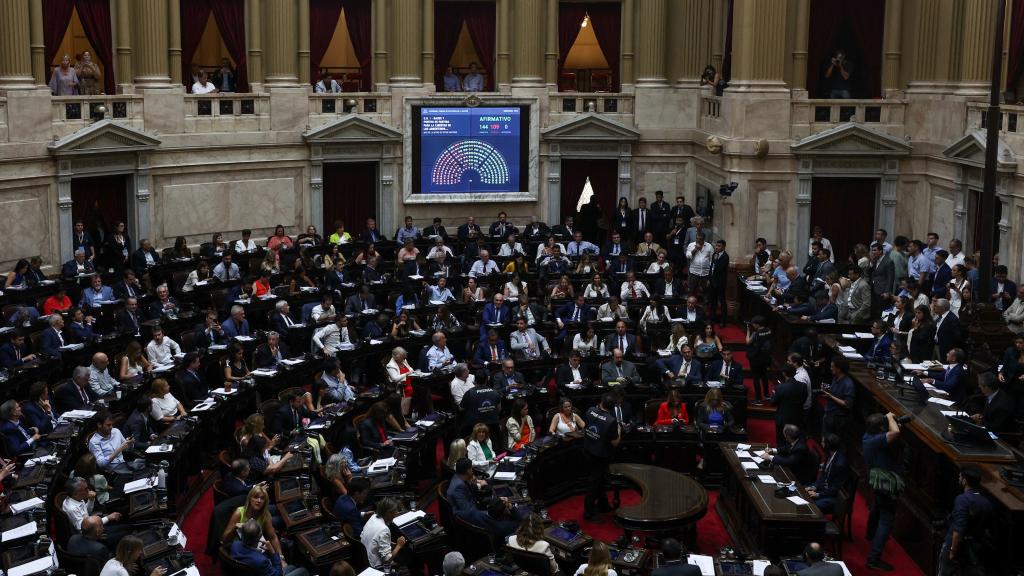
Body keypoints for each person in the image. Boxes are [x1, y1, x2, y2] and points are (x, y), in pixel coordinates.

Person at [937, 466, 994, 576]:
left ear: (965, 480)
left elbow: (958, 530)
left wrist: (953, 550)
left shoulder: (962, 499)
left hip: (956, 545)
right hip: (974, 548)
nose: (958, 478)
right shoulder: (986, 502)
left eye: (960, 476)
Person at [863, 412, 903, 571]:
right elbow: (896, 433)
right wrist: (891, 419)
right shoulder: (876, 440)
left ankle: (870, 534)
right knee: (886, 521)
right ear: (881, 428)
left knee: (877, 507)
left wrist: (889, 421)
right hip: (885, 484)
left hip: (876, 481)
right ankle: (874, 558)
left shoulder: (867, 436)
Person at [582, 394, 621, 522]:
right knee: (594, 483)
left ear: (601, 402)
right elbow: (615, 442)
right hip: (599, 456)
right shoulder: (611, 421)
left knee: (599, 481)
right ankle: (588, 512)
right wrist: (619, 429)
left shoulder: (590, 410)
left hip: (587, 450)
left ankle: (603, 505)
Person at [231, 518, 308, 576]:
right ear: (260, 536)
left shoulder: (235, 545)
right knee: (303, 571)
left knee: (291, 568)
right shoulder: (261, 561)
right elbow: (278, 574)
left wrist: (246, 528)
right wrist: (273, 552)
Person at [88, 410, 141, 476]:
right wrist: (119, 450)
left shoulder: (116, 431)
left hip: (124, 463)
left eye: (112, 424)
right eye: (108, 425)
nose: (111, 427)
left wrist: (130, 443)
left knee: (147, 465)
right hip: (113, 471)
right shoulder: (94, 442)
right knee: (139, 475)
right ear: (99, 425)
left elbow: (126, 449)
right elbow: (101, 464)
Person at [806, 434, 849, 514]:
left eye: (823, 442)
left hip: (833, 497)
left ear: (828, 446)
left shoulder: (840, 464)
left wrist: (818, 494)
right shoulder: (830, 454)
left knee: (811, 506)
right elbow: (823, 475)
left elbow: (836, 489)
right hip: (824, 489)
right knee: (802, 491)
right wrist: (814, 486)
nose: (821, 444)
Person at [361, 497, 408, 569]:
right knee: (405, 557)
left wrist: (390, 543)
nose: (396, 514)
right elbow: (387, 560)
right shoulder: (384, 529)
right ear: (388, 512)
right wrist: (399, 545)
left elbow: (375, 539)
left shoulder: (373, 517)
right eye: (395, 511)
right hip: (377, 566)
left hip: (368, 556)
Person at [771, 365, 808, 447]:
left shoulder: (780, 387)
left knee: (781, 442)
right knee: (796, 442)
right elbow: (804, 399)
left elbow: (773, 402)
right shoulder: (803, 386)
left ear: (784, 374)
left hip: (783, 420)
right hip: (797, 418)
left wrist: (774, 393)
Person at [746, 316, 773, 403]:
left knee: (756, 378)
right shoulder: (769, 330)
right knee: (764, 376)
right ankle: (767, 395)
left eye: (753, 324)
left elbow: (747, 342)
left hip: (756, 358)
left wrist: (748, 330)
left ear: (757, 324)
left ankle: (758, 399)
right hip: (766, 358)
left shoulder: (755, 334)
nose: (753, 325)